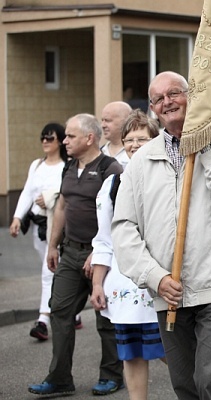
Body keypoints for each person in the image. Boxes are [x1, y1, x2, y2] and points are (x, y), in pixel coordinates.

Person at [112, 71, 211, 400]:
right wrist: (155, 276)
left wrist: (205, 149)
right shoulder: (140, 162)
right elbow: (123, 227)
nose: (168, 102)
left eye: (175, 93)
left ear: (192, 97)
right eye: (159, 99)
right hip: (168, 290)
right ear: (152, 109)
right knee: (185, 385)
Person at [28, 114, 124, 396]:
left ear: (89, 138)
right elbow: (62, 206)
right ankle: (59, 379)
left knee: (105, 317)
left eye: (70, 136)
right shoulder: (69, 166)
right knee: (59, 312)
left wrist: (98, 252)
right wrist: (53, 245)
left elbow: (119, 217)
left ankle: (111, 375)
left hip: (102, 257)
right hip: (70, 252)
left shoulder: (111, 167)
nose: (64, 140)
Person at [90, 110, 165, 400]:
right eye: (130, 139)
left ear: (155, 140)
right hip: (124, 284)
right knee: (132, 354)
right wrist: (98, 283)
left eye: (142, 138)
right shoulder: (112, 185)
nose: (135, 144)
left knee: (174, 350)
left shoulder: (170, 178)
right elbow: (104, 239)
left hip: (162, 280)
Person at [9, 123, 68, 340]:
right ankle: (73, 310)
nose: (45, 141)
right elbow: (26, 192)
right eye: (42, 137)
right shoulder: (36, 165)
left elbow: (68, 193)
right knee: (53, 270)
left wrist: (51, 195)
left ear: (60, 141)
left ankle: (43, 319)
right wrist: (17, 217)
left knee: (48, 271)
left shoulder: (67, 165)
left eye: (50, 138)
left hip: (57, 226)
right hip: (37, 225)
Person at [101, 101, 132, 167]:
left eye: (108, 120)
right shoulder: (99, 153)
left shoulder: (136, 151)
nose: (103, 125)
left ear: (125, 121)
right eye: (102, 120)